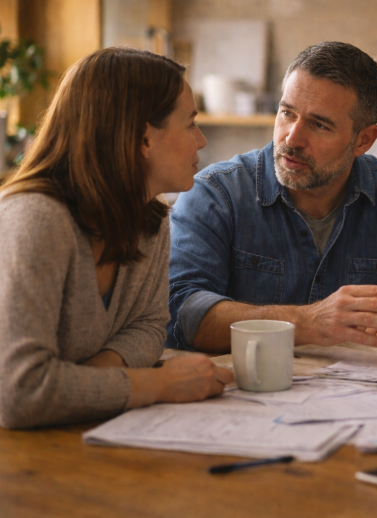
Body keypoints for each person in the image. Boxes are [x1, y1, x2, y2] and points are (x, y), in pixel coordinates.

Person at [167, 41, 377, 353]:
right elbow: (182, 312)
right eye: (286, 113)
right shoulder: (215, 194)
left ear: (364, 140)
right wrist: (307, 322)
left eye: (319, 125)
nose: (292, 138)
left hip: (363, 395)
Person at [0, 47, 233, 430]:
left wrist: (93, 380)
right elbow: (19, 393)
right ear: (143, 138)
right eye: (190, 123)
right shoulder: (36, 220)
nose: (202, 140)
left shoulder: (150, 220)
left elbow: (149, 326)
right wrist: (158, 383)